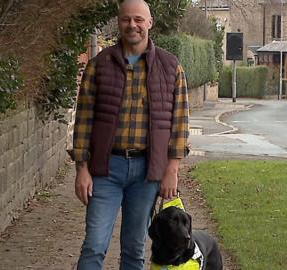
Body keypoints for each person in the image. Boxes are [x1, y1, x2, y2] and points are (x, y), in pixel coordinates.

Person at [68, 0, 189, 269]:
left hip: (147, 172)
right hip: (105, 170)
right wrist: (82, 168)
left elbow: (179, 122)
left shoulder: (170, 67)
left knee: (134, 249)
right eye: (125, 20)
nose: (132, 25)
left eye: (138, 19)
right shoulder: (99, 64)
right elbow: (84, 119)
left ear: (149, 23)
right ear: (119, 22)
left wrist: (172, 168)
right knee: (94, 246)